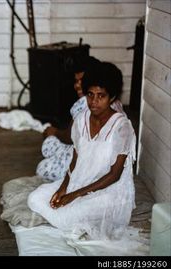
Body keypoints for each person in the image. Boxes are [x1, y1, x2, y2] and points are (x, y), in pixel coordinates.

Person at [28, 62, 136, 240]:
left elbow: (114, 175)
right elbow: (75, 159)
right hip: (81, 181)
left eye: (101, 96)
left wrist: (74, 195)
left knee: (65, 217)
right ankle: (71, 211)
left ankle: (77, 216)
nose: (94, 102)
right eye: (90, 95)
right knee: (35, 198)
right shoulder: (81, 119)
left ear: (112, 97)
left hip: (109, 191)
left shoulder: (121, 126)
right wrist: (64, 188)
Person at [36, 58, 126, 181]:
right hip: (99, 158)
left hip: (89, 161)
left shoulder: (86, 103)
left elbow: (70, 136)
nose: (78, 85)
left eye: (82, 81)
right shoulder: (117, 103)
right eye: (75, 81)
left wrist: (54, 132)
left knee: (43, 166)